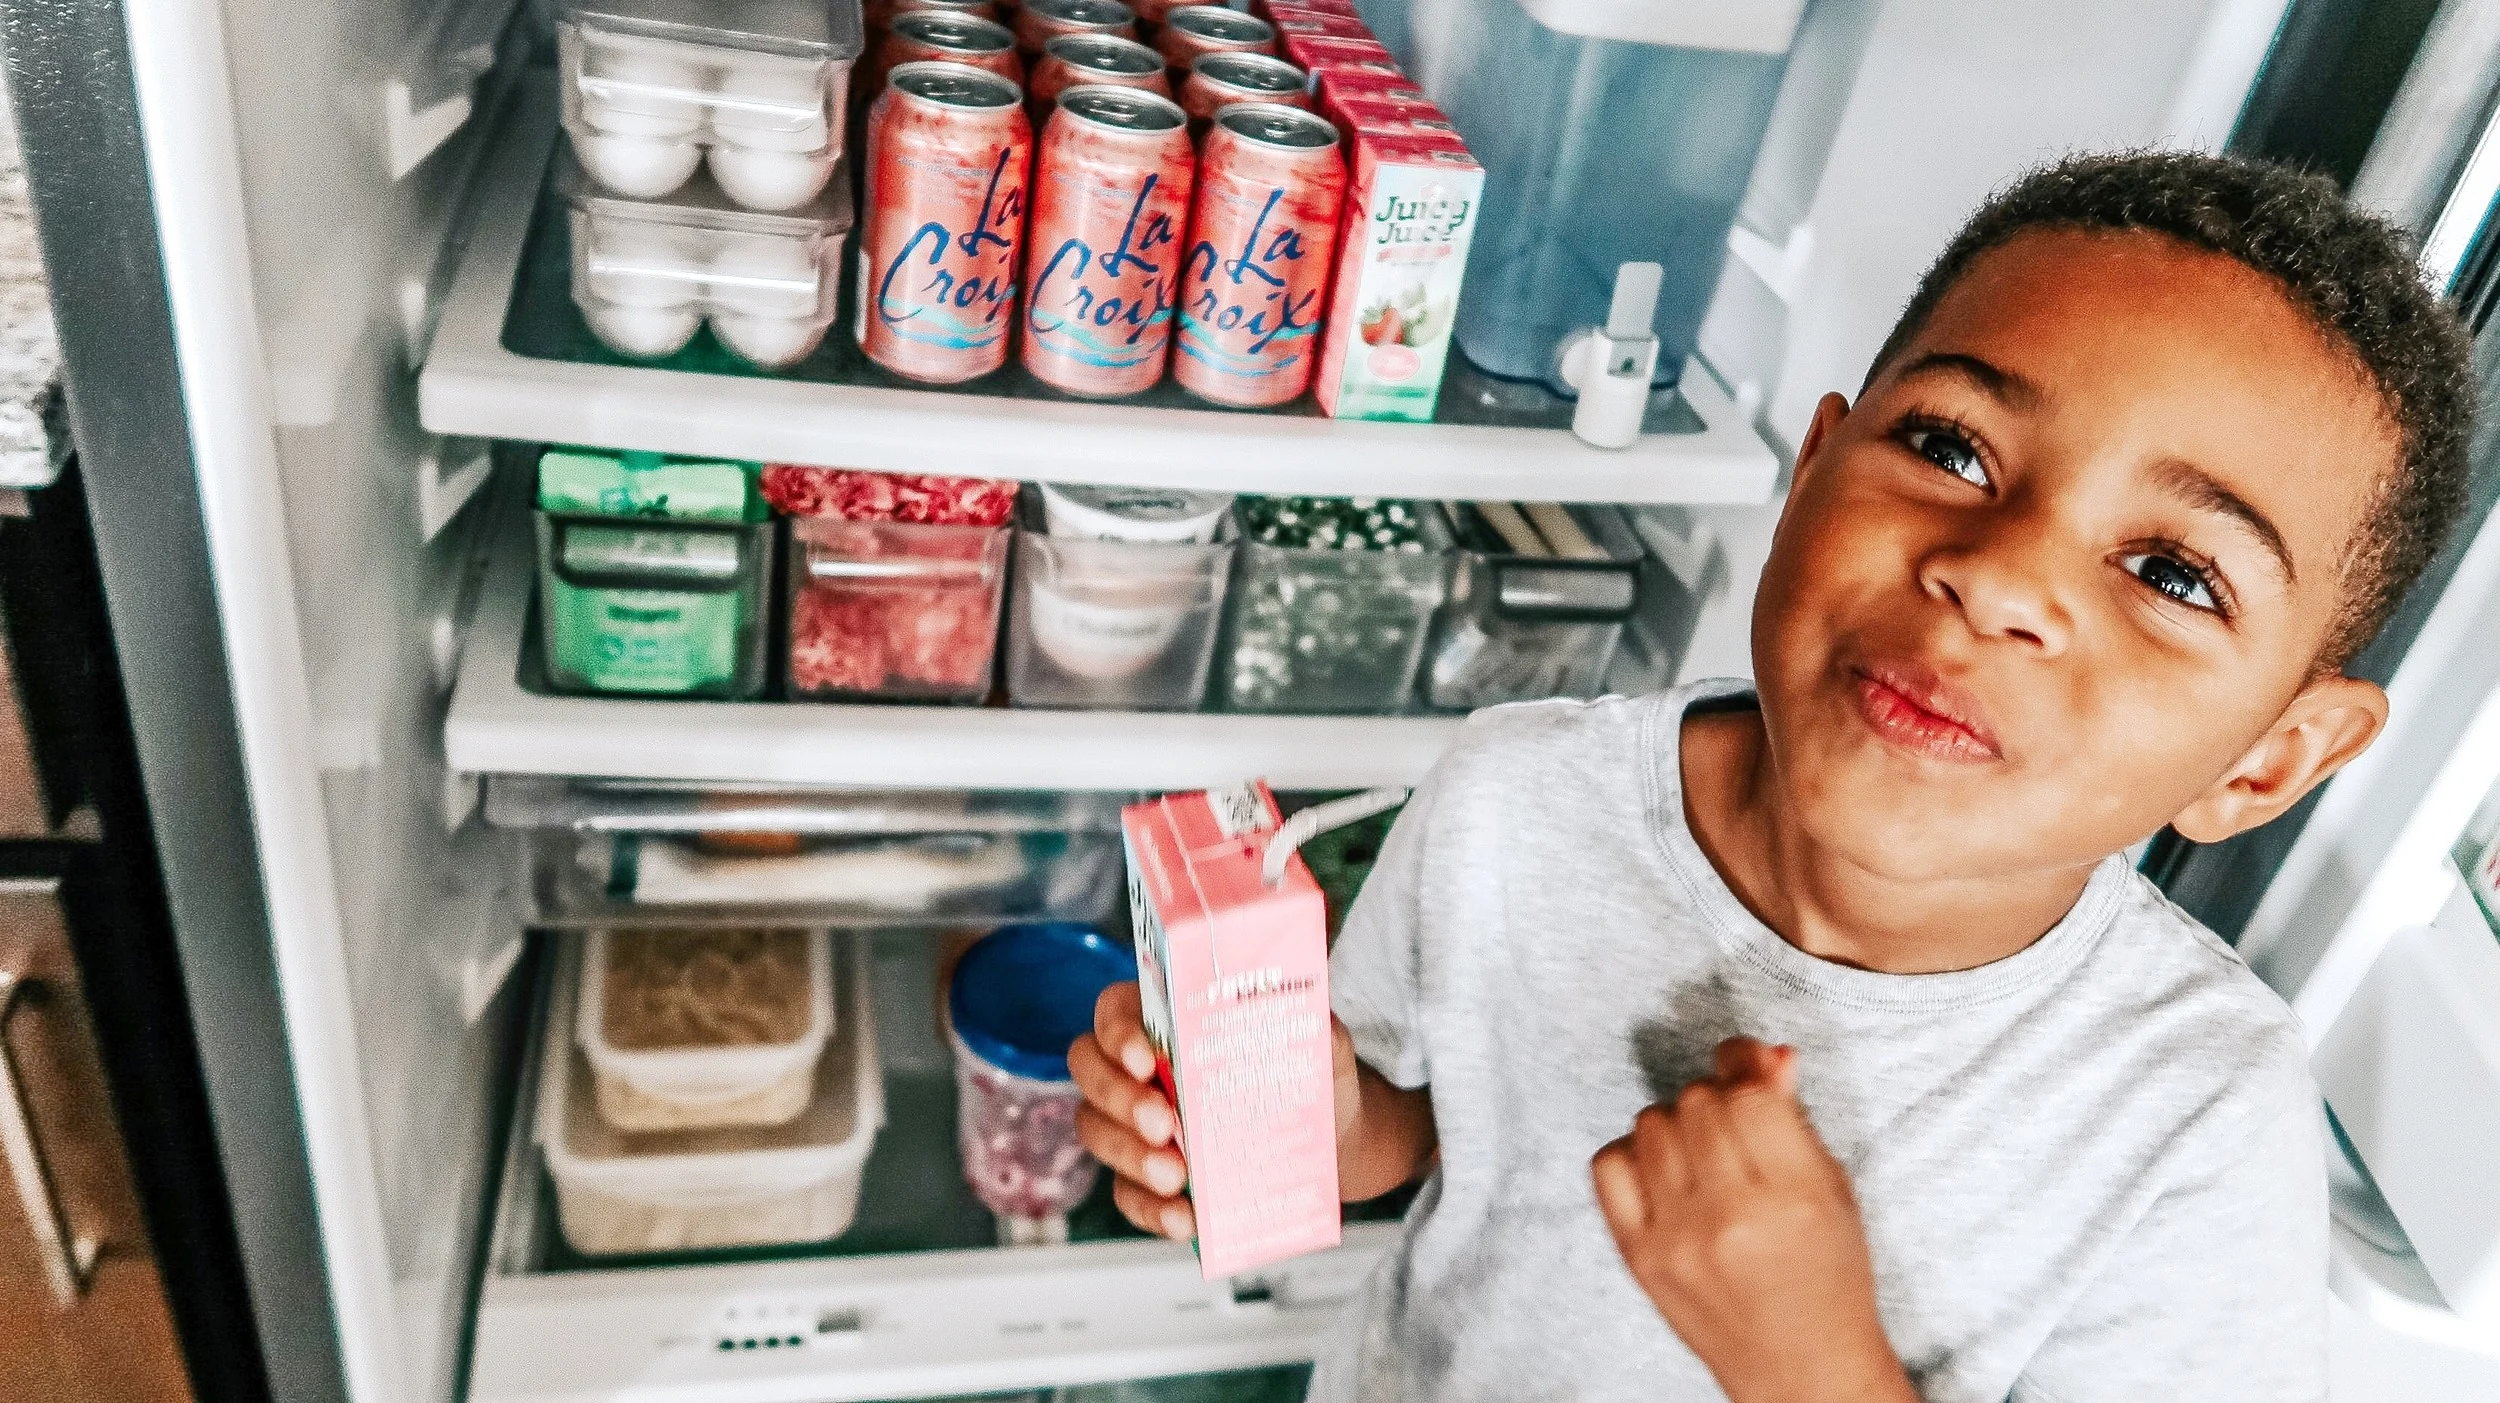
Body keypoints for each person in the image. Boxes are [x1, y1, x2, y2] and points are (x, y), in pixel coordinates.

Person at [1069, 151, 2477, 1402]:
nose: (1995, 581)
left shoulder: (2198, 1108)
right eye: (1950, 446)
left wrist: (1811, 1365)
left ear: (2270, 760)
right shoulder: (1515, 798)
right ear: (1812, 473)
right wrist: (1300, 1124)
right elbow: (1429, 1132)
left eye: (2172, 572)